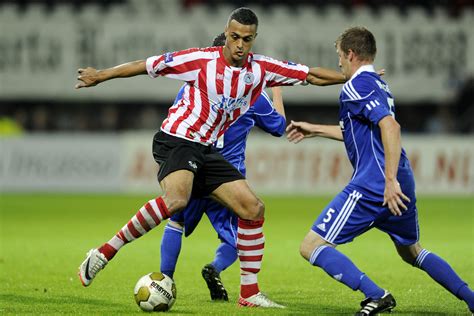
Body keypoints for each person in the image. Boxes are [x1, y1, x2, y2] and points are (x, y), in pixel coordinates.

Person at [76, 7, 347, 308]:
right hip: (177, 139)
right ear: (226, 34)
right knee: (177, 202)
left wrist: (351, 75)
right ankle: (103, 253)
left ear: (254, 39)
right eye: (234, 37)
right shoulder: (200, 60)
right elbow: (146, 65)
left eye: (247, 39)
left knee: (253, 208)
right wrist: (101, 75)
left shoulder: (261, 69)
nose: (240, 45)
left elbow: (312, 75)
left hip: (206, 150)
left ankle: (249, 294)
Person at [286, 26, 474, 315]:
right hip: (402, 177)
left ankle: (376, 294)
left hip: (374, 183)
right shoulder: (378, 84)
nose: (338, 62)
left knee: (311, 246)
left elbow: (390, 126)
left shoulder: (355, 86)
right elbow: (361, 131)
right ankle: (471, 299)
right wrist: (315, 130)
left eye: (339, 55)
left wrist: (387, 181)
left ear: (350, 54)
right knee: (413, 252)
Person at [161, 34, 287, 304]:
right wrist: (277, 90)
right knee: (243, 236)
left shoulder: (194, 84)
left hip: (193, 167)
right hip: (226, 178)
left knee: (176, 220)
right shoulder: (253, 94)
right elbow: (279, 127)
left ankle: (164, 281)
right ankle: (216, 269)